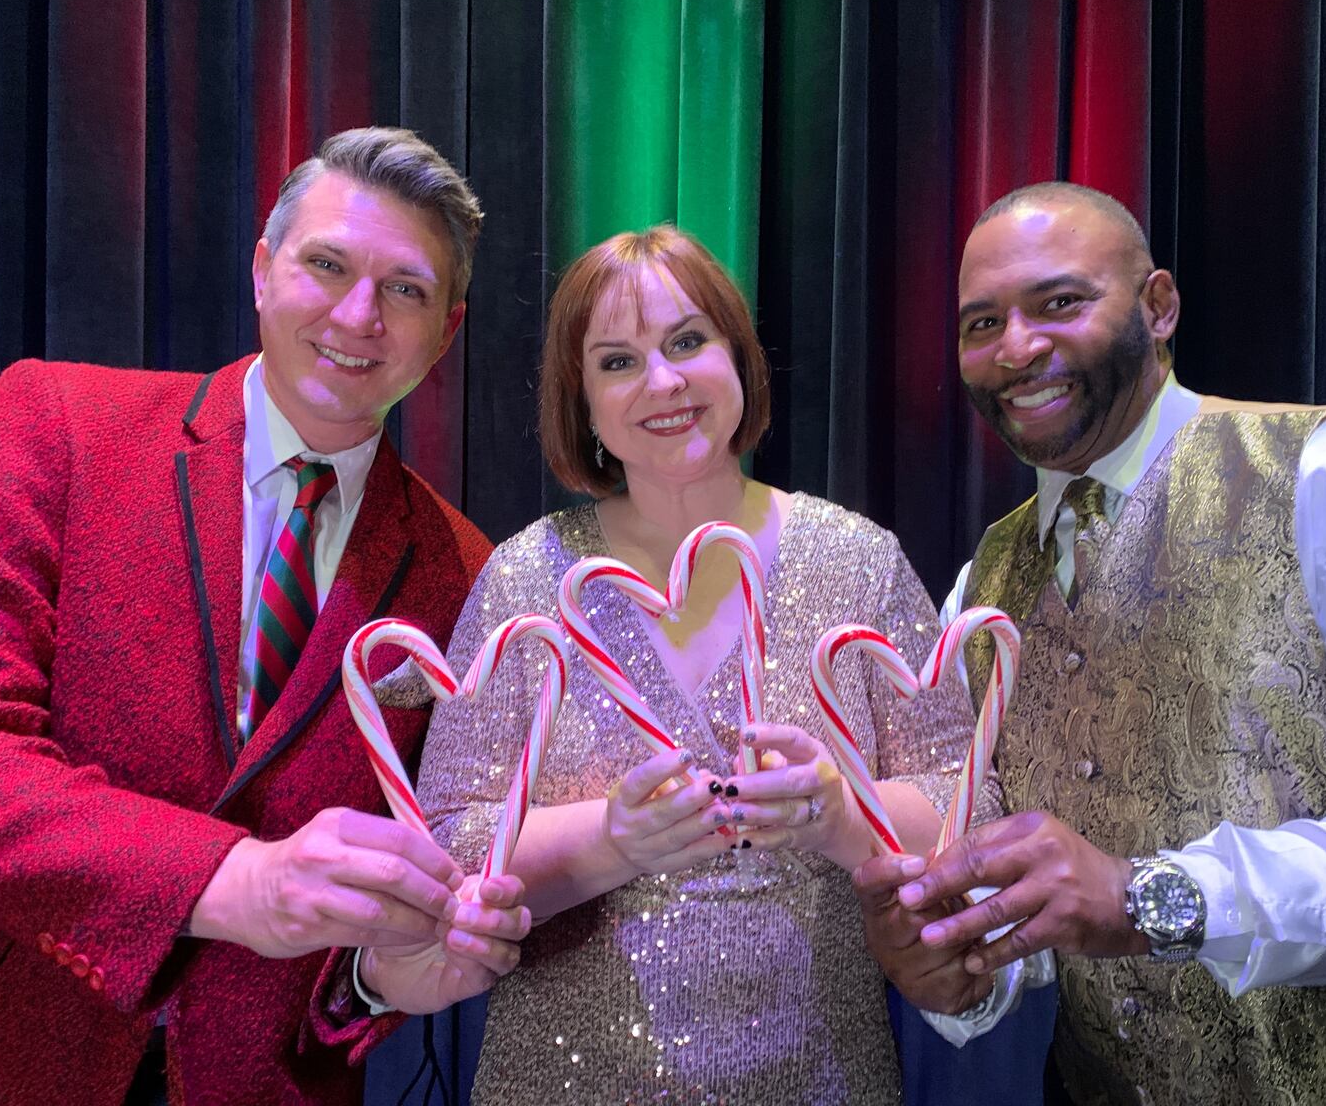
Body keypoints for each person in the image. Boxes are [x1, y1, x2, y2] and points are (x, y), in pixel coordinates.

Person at [0, 127, 530, 1105]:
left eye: (404, 289)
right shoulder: (55, 428)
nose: (358, 315)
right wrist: (230, 883)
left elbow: (376, 941)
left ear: (445, 330)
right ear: (262, 270)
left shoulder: (466, 577)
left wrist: (378, 982)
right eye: (326, 264)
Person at [853, 181, 1326, 1104]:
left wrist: (1151, 898)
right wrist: (955, 974)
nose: (1017, 347)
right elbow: (1030, 919)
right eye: (980, 323)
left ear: (1158, 307)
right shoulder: (983, 589)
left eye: (1060, 303)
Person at [381, 224, 979, 1102]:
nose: (663, 382)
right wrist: (608, 843)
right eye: (618, 362)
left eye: (688, 342)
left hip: (823, 1076)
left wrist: (841, 817)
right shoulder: (527, 580)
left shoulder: (858, 561)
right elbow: (447, 847)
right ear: (581, 401)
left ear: (738, 358)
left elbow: (967, 805)